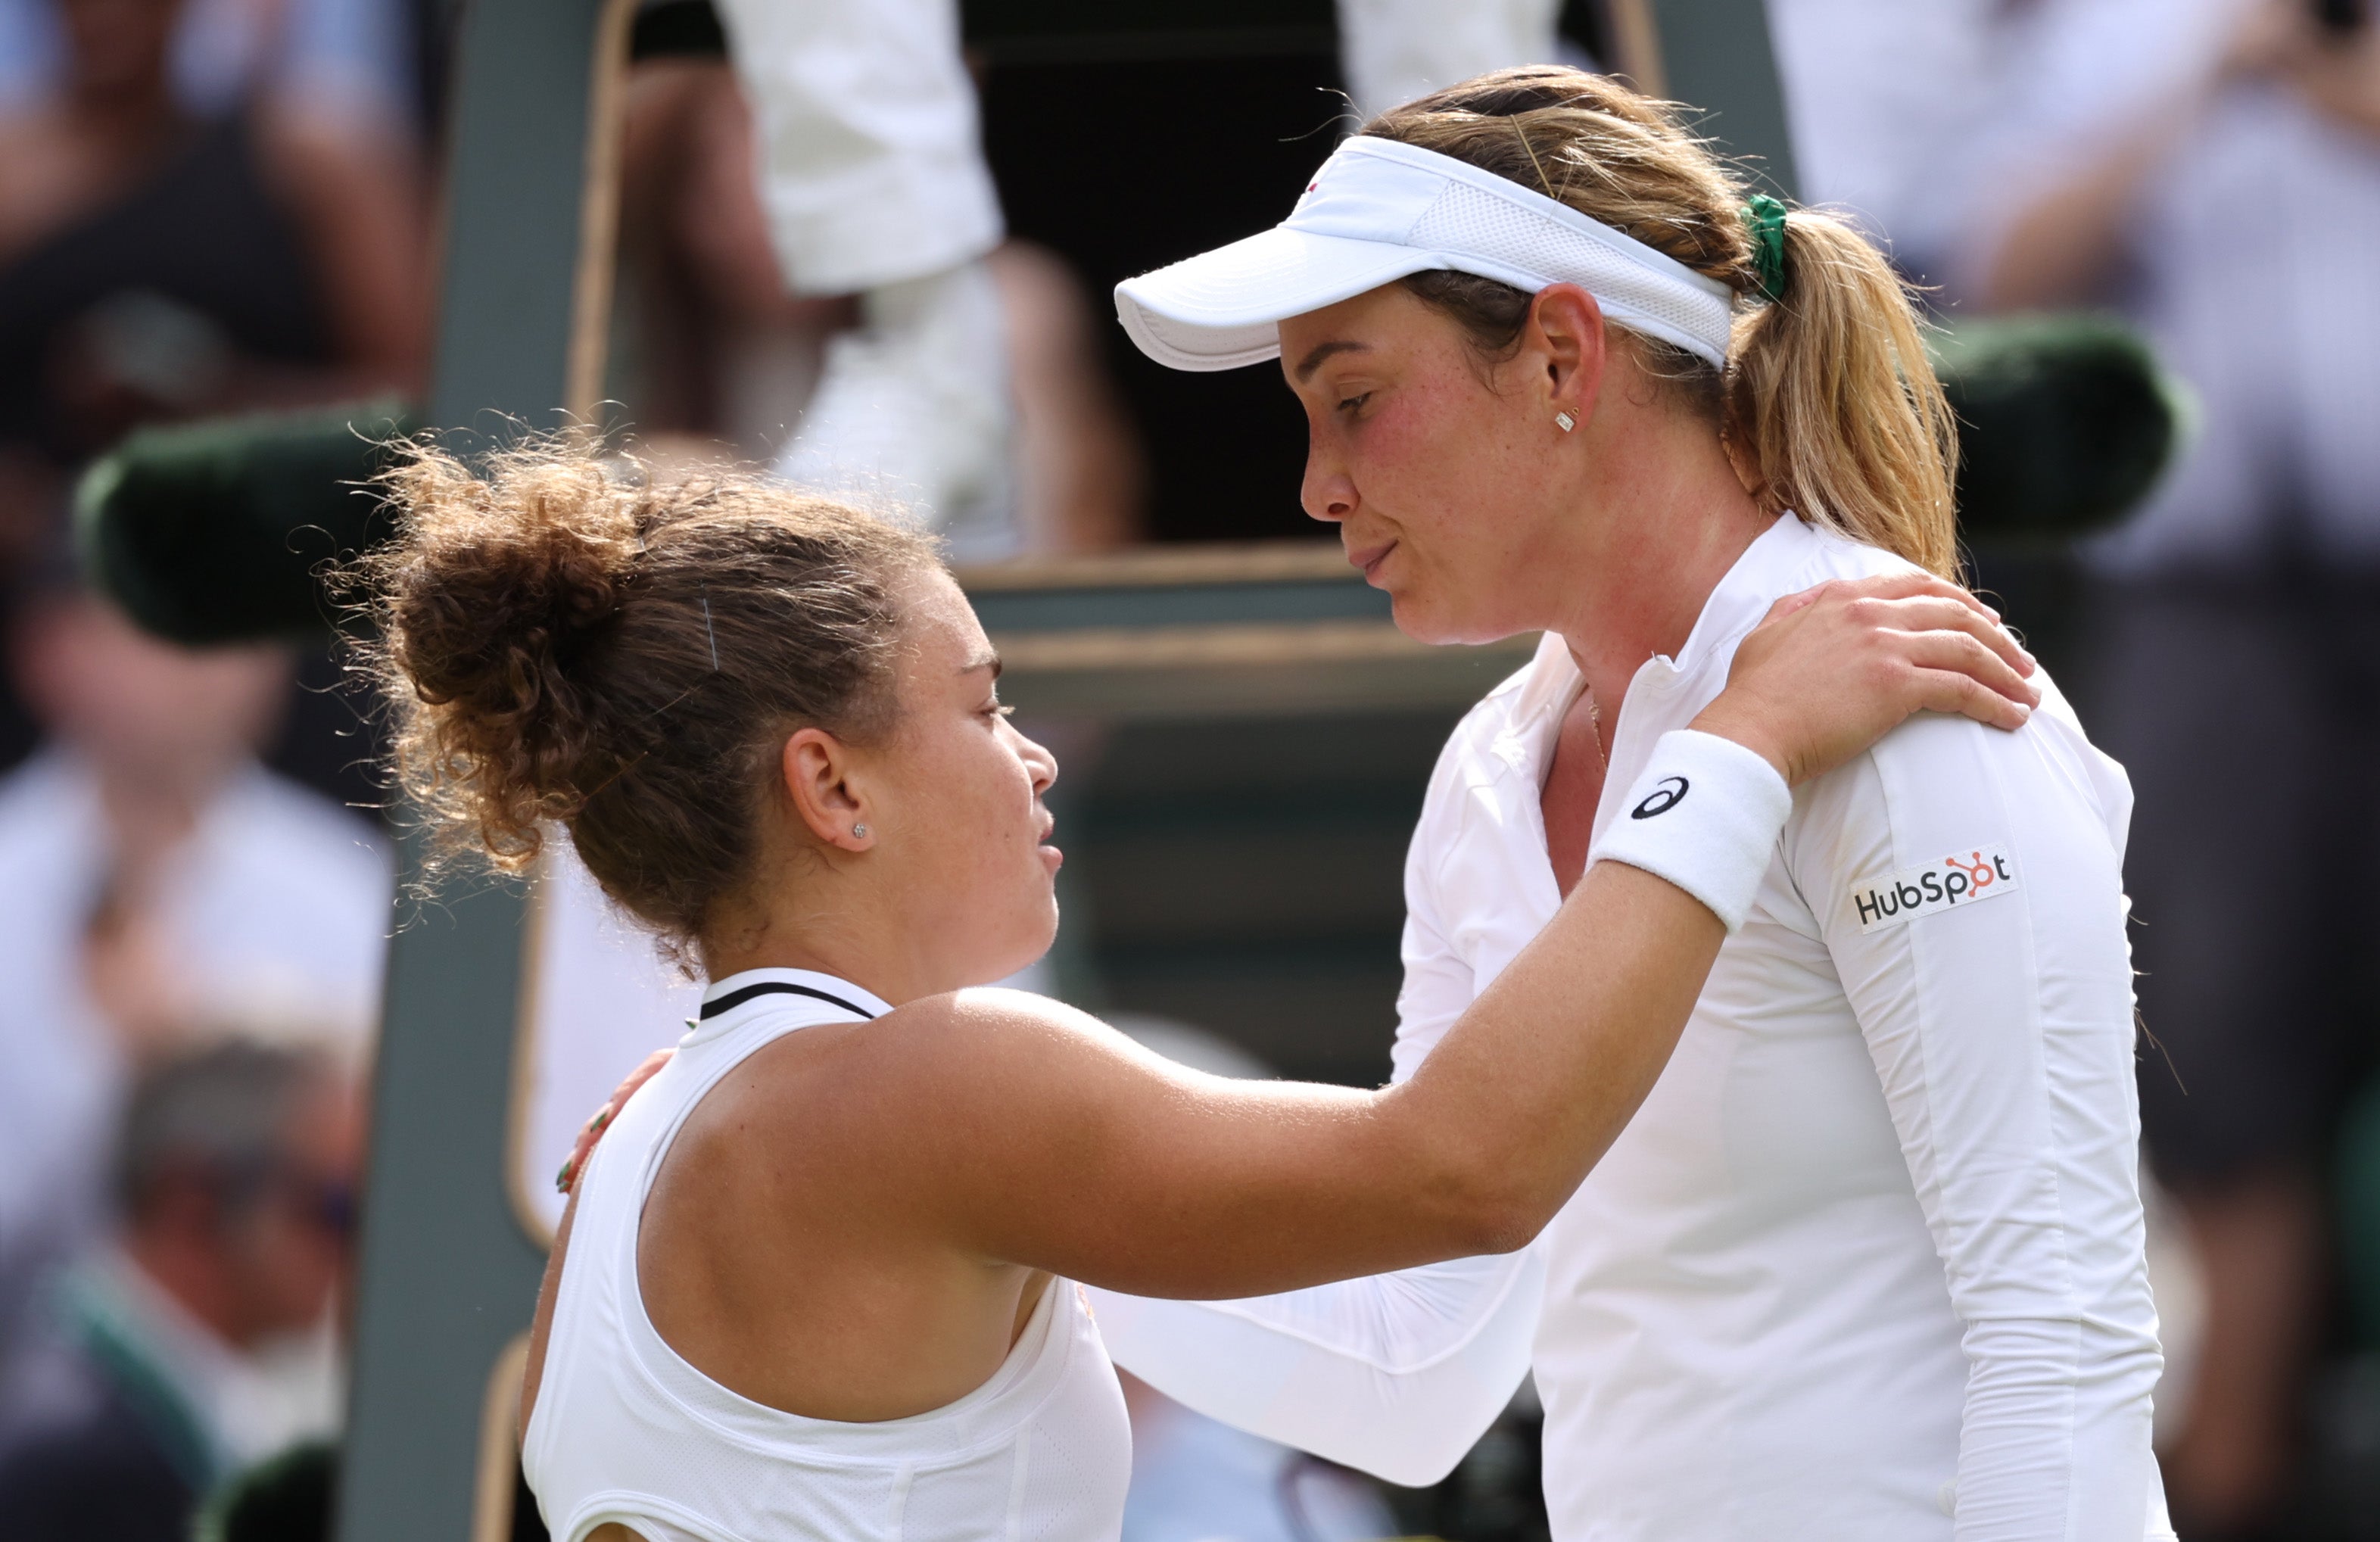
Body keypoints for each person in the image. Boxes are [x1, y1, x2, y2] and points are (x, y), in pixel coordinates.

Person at [360, 424, 2032, 1540]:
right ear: (833, 785)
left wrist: (1529, 857)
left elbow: (1413, 1376)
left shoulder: (646, 1146)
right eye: (981, 701)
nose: (1031, 760)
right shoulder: (940, 1092)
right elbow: (1465, 1167)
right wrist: (1733, 747)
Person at [1065, 65, 2170, 1540]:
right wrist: (1000, 1219)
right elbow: (1417, 1360)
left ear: (1563, 359)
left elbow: (2068, 1347)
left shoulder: (1910, 698)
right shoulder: (1487, 769)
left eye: (1355, 400)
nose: (1319, 484)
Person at [1955, 2, 2380, 1531]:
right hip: (2214, 624)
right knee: (2221, 1046)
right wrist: (2206, 86)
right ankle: (2234, 1475)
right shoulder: (2124, 32)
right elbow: (2006, 279)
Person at [0, 571, 388, 1379]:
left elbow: (372, 1202)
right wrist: (113, 1074)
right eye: (172, 625)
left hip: (280, 1402)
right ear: (52, 651)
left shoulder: (346, 892)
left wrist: (172, 1053)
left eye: (243, 632)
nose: (213, 666)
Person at [0, 1039, 360, 1542]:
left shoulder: (109, 1410)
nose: (358, 1249)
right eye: (339, 1209)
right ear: (192, 1201)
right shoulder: (82, 1457)